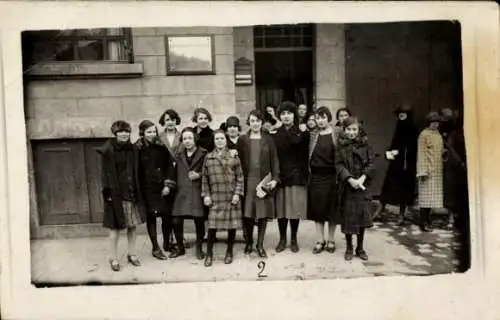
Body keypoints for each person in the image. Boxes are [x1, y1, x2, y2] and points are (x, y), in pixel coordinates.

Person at [98, 120, 146, 271]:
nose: (124, 134)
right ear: (115, 133)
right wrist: (108, 193)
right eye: (121, 132)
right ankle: (113, 258)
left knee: (132, 227)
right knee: (115, 229)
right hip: (116, 195)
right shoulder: (108, 150)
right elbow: (105, 174)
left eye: (126, 131)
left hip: (131, 194)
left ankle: (132, 254)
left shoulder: (133, 149)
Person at [236, 109, 280, 258]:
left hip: (263, 180)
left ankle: (259, 245)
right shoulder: (242, 140)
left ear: (262, 122)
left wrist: (275, 179)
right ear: (249, 122)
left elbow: (274, 160)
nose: (255, 124)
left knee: (262, 214)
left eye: (258, 121)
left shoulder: (268, 139)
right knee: (248, 214)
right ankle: (249, 242)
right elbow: (238, 160)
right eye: (252, 121)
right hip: (248, 181)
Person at [201, 130, 245, 267]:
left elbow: (240, 177)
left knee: (232, 226)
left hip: (230, 196)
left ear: (226, 140)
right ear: (214, 141)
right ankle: (209, 254)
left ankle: (229, 251)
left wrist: (237, 193)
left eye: (222, 138)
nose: (219, 141)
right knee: (212, 226)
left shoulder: (233, 156)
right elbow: (204, 179)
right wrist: (206, 195)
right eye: (217, 139)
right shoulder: (209, 158)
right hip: (215, 197)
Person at [335, 116, 376, 261]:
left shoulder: (366, 145)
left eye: (354, 129)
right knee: (348, 218)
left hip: (362, 186)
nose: (352, 132)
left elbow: (371, 164)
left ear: (359, 130)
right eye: (349, 130)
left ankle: (360, 247)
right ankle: (349, 247)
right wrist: (350, 179)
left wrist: (362, 178)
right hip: (348, 187)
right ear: (344, 130)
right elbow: (338, 165)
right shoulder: (341, 146)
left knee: (361, 218)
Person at [135, 120, 176, 260]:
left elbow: (169, 166)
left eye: (154, 131)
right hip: (147, 189)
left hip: (162, 188)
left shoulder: (161, 146)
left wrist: (167, 185)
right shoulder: (137, 148)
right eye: (148, 132)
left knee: (166, 217)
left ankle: (166, 244)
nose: (152, 134)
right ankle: (155, 247)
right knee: (151, 218)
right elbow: (136, 170)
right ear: (142, 133)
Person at [273, 101, 310, 253]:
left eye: (289, 113)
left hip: (297, 175)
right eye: (283, 114)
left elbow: (305, 155)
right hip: (281, 176)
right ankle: (282, 239)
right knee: (281, 211)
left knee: (294, 210)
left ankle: (294, 239)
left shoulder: (302, 132)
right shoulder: (275, 134)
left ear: (294, 115)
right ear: (280, 116)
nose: (286, 116)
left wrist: (303, 133)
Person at [375, 103, 418, 224]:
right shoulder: (399, 127)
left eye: (403, 115)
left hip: (406, 164)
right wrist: (389, 152)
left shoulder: (412, 128)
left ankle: (401, 215)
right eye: (400, 115)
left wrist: (399, 151)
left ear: (408, 116)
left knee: (404, 190)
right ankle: (379, 211)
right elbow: (395, 142)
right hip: (396, 164)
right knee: (388, 187)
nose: (401, 117)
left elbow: (412, 147)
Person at [170, 127, 208, 259]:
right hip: (182, 191)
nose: (187, 141)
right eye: (184, 138)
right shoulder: (178, 155)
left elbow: (210, 172)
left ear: (195, 139)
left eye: (190, 138)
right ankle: (180, 247)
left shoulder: (204, 153)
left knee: (199, 219)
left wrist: (199, 175)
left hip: (197, 191)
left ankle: (199, 247)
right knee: (175, 220)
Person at [307, 106, 340, 254]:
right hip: (316, 177)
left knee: (331, 210)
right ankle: (320, 240)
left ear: (328, 118)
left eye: (323, 118)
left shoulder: (337, 133)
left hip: (333, 177)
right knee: (318, 210)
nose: (320, 121)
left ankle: (331, 240)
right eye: (318, 118)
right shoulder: (313, 135)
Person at [158, 108, 187, 250]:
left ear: (177, 121)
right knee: (166, 211)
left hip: (179, 174)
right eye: (168, 119)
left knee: (178, 211)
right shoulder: (159, 137)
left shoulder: (182, 136)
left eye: (173, 119)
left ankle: (179, 238)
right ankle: (167, 240)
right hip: (164, 175)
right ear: (164, 121)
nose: (170, 122)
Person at [416, 112, 444, 232]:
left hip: (437, 169)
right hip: (427, 169)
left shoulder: (437, 134)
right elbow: (421, 153)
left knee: (432, 198)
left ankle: (428, 219)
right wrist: (422, 171)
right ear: (428, 123)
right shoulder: (423, 135)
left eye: (437, 122)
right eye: (433, 122)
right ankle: (423, 222)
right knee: (425, 198)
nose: (435, 124)